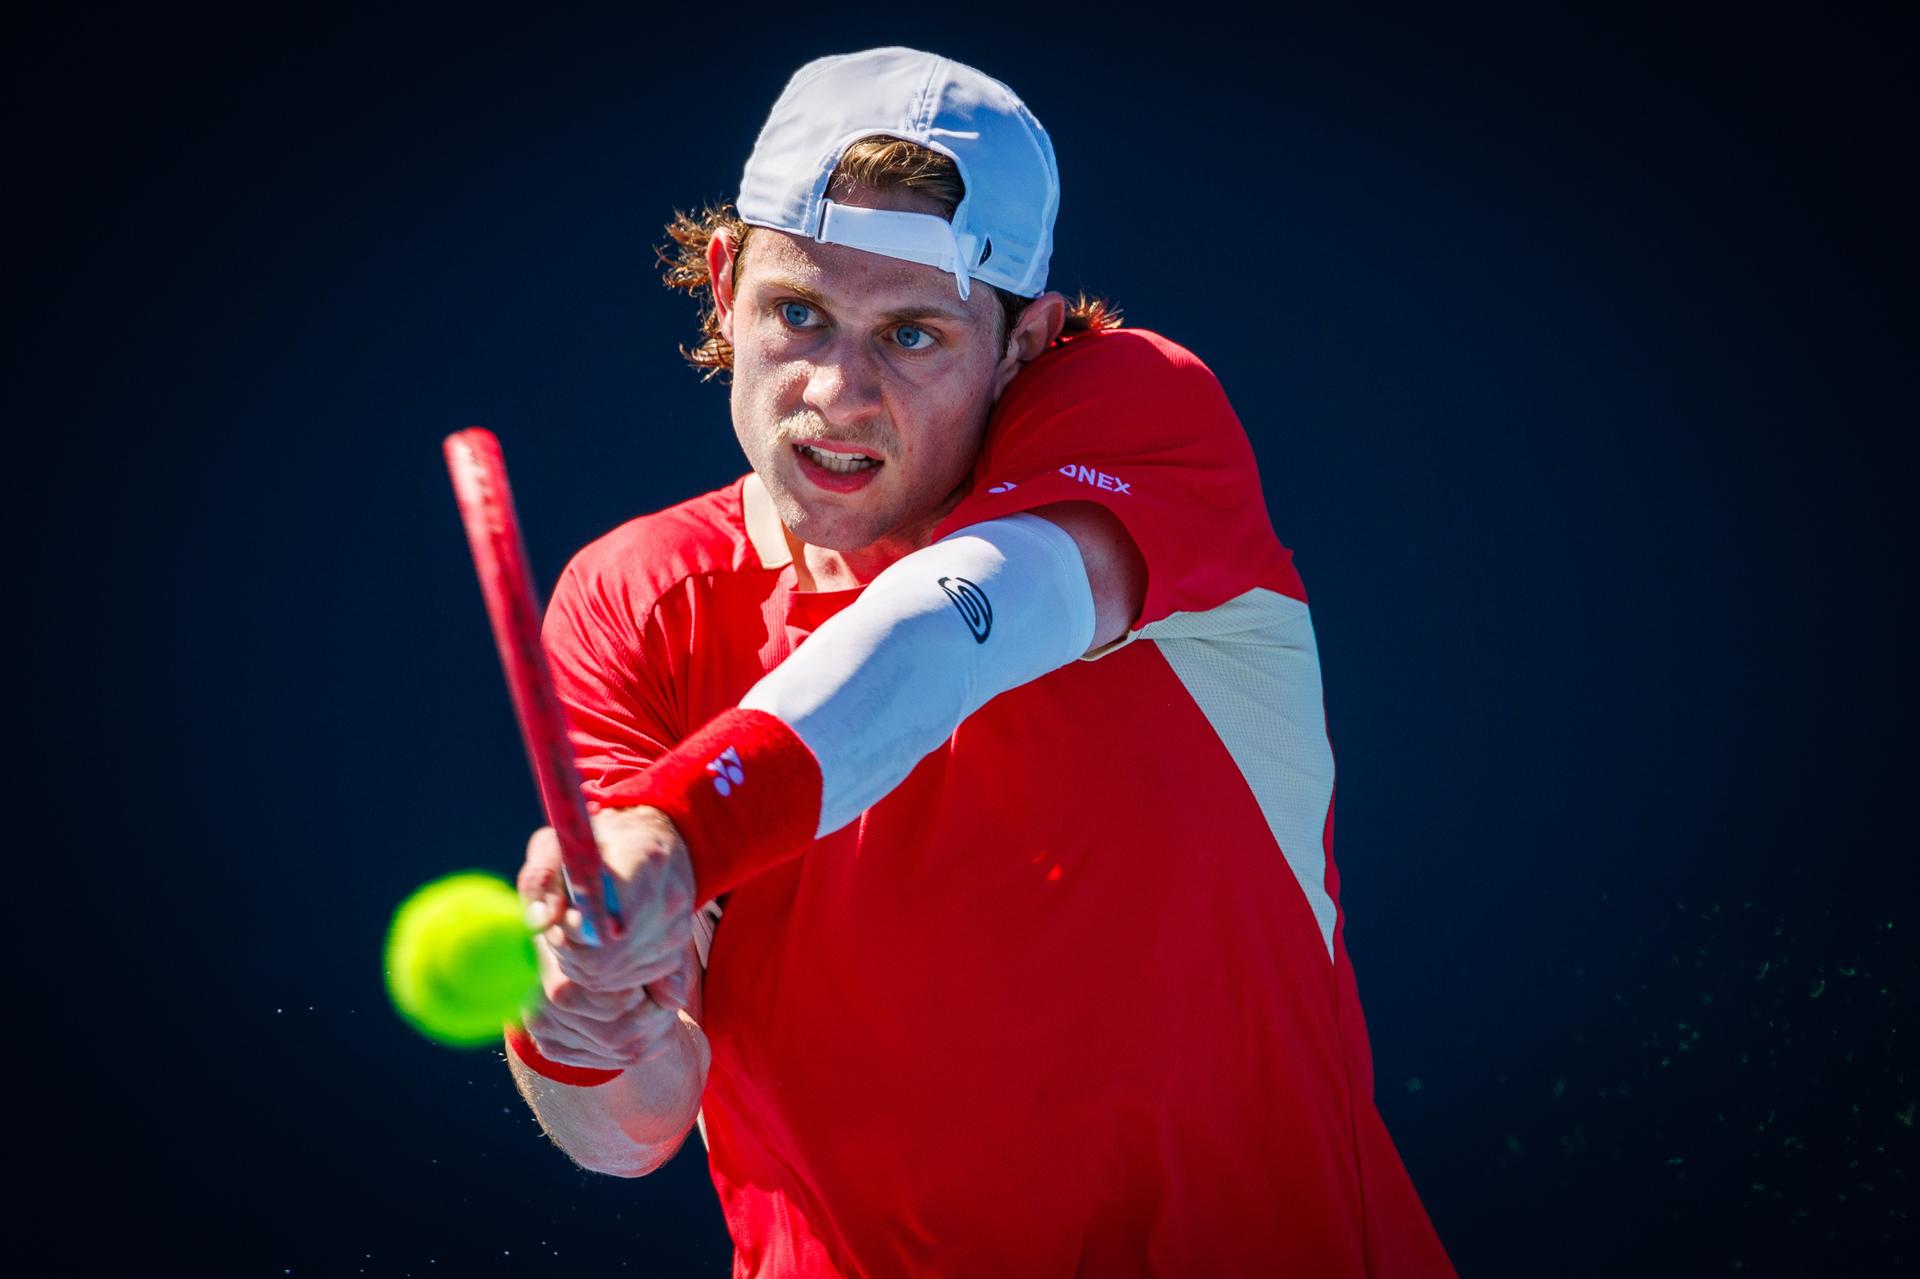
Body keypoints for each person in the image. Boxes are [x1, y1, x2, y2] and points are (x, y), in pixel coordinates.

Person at [503, 47, 1457, 1277]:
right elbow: (633, 1133)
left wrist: (679, 826)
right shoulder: (632, 601)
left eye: (911, 335)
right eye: (798, 313)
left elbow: (955, 626)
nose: (837, 393)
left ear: (1026, 344)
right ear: (723, 282)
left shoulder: (1143, 417)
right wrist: (581, 1022)